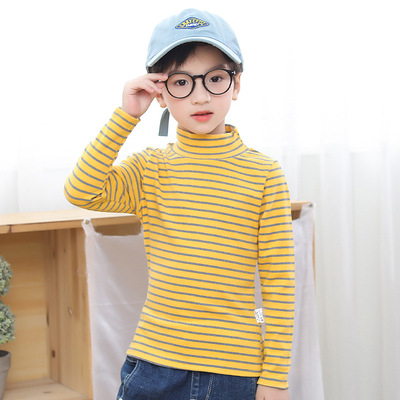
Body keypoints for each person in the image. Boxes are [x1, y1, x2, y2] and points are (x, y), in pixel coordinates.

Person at [64, 8, 295, 400]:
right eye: (181, 82)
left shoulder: (264, 173)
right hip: (154, 365)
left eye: (215, 78)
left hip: (234, 372)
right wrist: (126, 116)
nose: (200, 96)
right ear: (160, 92)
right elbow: (81, 190)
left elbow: (279, 283)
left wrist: (275, 377)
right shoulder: (150, 169)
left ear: (236, 84)